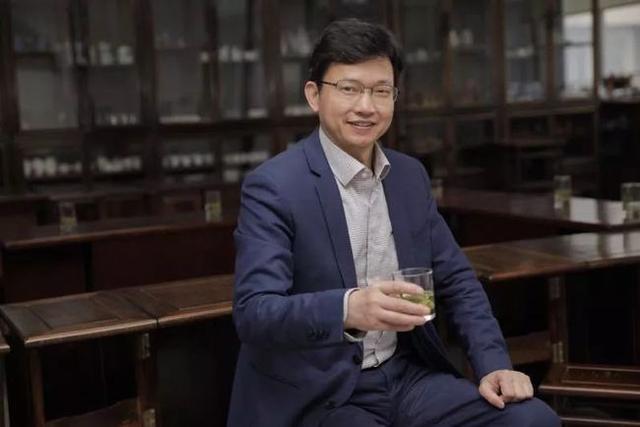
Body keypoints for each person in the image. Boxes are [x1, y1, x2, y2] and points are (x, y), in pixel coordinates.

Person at [228, 18, 560, 427]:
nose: (366, 106)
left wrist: (494, 364)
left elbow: (457, 280)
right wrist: (349, 309)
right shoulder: (274, 186)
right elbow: (255, 312)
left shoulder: (408, 176)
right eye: (349, 88)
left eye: (381, 91)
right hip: (321, 393)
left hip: (405, 376)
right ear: (314, 95)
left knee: (532, 420)